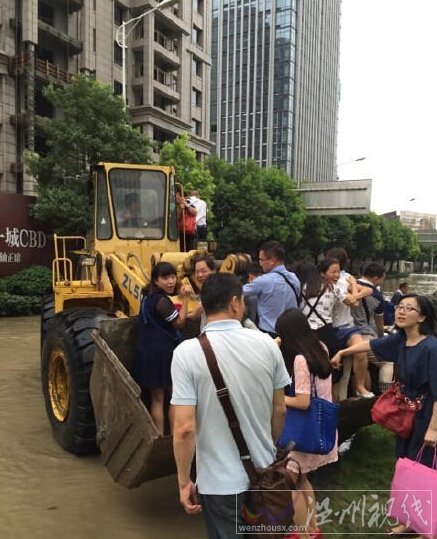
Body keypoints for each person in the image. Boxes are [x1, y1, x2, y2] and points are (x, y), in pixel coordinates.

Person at [171, 273, 290, 538]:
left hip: (218, 484)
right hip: (265, 475)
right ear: (235, 302)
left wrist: (183, 482)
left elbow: (184, 428)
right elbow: (279, 408)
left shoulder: (186, 353)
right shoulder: (267, 345)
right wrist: (264, 447)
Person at [332, 293, 437, 538]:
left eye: (408, 308)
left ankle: (427, 525)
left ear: (422, 316)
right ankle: (411, 520)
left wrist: (433, 429)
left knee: (425, 468)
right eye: (399, 307)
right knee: (406, 466)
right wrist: (343, 353)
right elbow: (369, 345)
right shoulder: (400, 340)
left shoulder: (431, 347)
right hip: (406, 414)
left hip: (427, 415)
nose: (400, 312)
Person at [276, 308, 338, 539]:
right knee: (303, 479)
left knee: (288, 484)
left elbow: (302, 401)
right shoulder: (320, 347)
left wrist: (276, 398)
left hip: (304, 432)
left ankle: (301, 534)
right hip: (321, 425)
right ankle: (313, 530)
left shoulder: (301, 359)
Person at [131, 262, 191, 435]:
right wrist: (185, 299)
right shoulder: (162, 302)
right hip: (163, 354)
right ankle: (174, 436)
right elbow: (179, 323)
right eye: (166, 278)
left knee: (157, 399)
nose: (171, 281)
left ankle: (158, 436)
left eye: (173, 277)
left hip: (147, 353)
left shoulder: (147, 298)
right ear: (156, 281)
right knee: (173, 396)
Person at [325, 247, 374, 399]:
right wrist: (354, 287)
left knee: (360, 349)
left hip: (347, 326)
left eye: (337, 270)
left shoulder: (345, 277)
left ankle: (360, 386)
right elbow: (355, 303)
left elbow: (368, 290)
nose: (336, 274)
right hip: (328, 327)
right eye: (333, 271)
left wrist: (353, 287)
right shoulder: (325, 281)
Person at [243, 240, 300, 338]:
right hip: (291, 334)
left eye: (262, 260)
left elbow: (236, 291)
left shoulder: (264, 281)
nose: (260, 264)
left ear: (272, 261)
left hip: (269, 333)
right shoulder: (294, 278)